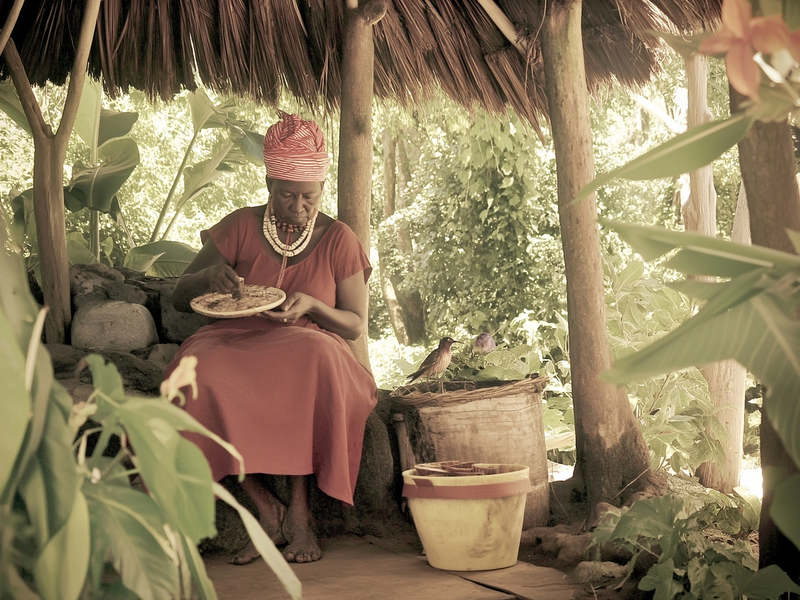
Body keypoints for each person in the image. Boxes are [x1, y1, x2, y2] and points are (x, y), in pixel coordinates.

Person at [164, 110, 377, 565]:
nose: (299, 208)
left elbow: (356, 324)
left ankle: (300, 516)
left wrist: (313, 306)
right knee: (198, 367)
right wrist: (208, 278)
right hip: (233, 341)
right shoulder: (240, 225)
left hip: (308, 342)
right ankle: (265, 506)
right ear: (267, 186)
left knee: (313, 354)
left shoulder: (340, 239)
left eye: (309, 197)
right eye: (287, 196)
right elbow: (180, 295)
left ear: (321, 190)